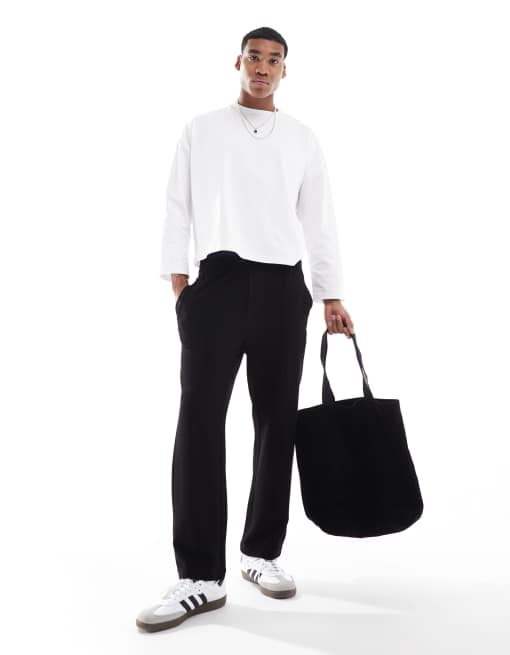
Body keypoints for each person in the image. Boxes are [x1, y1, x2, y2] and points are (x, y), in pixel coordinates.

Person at [136, 26, 355, 633]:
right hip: (219, 284)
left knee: (277, 422)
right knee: (199, 423)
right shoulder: (202, 129)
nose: (262, 67)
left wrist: (330, 294)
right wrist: (181, 287)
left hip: (284, 289)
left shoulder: (303, 138)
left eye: (274, 60)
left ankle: (261, 552)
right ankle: (201, 577)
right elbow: (176, 205)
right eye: (253, 57)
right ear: (237, 63)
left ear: (285, 71)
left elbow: (320, 218)